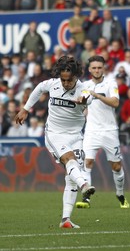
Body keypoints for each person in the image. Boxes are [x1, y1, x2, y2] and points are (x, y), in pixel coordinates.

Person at [14, 56, 95, 229]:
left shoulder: (84, 88)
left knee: (71, 177)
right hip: (55, 134)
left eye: (69, 80)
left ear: (76, 76)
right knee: (69, 160)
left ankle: (65, 219)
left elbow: (88, 96)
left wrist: (84, 99)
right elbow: (38, 89)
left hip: (76, 136)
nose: (65, 83)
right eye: (63, 79)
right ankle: (85, 184)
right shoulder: (52, 84)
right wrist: (25, 109)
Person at [75, 56, 129, 209]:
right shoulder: (85, 85)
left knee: (116, 166)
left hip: (109, 130)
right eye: (94, 68)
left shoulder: (110, 83)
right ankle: (86, 199)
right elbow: (81, 101)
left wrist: (97, 95)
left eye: (99, 67)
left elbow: (115, 102)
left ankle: (120, 195)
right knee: (87, 162)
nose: (97, 70)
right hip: (91, 130)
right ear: (89, 69)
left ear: (103, 68)